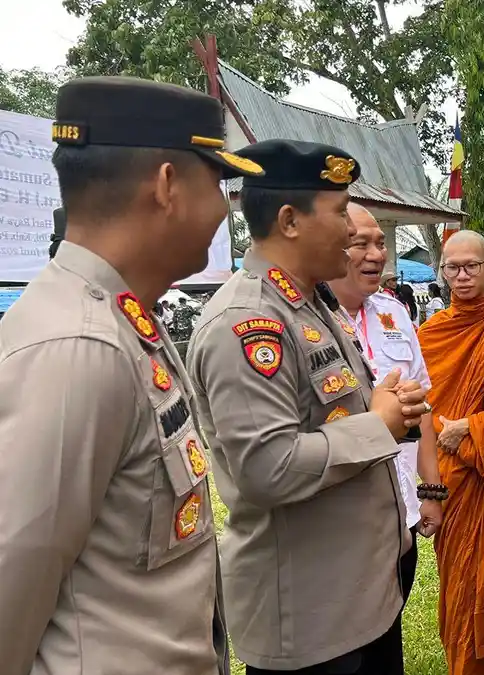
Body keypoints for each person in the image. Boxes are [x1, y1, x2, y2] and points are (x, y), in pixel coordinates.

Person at [0, 76, 264, 674]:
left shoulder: (122, 317)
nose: (225, 209)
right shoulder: (78, 346)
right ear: (167, 185)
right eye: (219, 184)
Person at [187, 139, 429, 674]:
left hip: (361, 596)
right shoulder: (248, 321)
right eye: (340, 213)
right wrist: (379, 425)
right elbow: (266, 468)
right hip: (310, 619)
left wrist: (384, 406)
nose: (350, 231)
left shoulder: (311, 303)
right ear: (290, 221)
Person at [418, 230, 484, 675]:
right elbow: (420, 413)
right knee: (462, 588)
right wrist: (429, 490)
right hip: (453, 478)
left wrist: (473, 426)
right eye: (452, 268)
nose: (462, 276)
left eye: (471, 266)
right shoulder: (430, 333)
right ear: (441, 271)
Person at [328, 203, 444, 612]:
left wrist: (431, 491)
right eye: (360, 243)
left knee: (390, 629)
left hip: (401, 512)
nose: (377, 255)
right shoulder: (308, 321)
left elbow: (422, 407)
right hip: (339, 522)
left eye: (380, 243)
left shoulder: (394, 312)